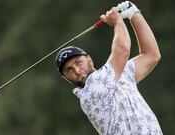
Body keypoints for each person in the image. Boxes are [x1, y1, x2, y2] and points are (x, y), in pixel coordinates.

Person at [55, 1, 163, 134]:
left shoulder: (114, 75)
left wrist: (134, 14)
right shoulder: (90, 93)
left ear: (90, 60)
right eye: (69, 70)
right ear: (65, 78)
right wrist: (118, 22)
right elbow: (122, 50)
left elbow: (151, 55)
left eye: (78, 62)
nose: (77, 71)